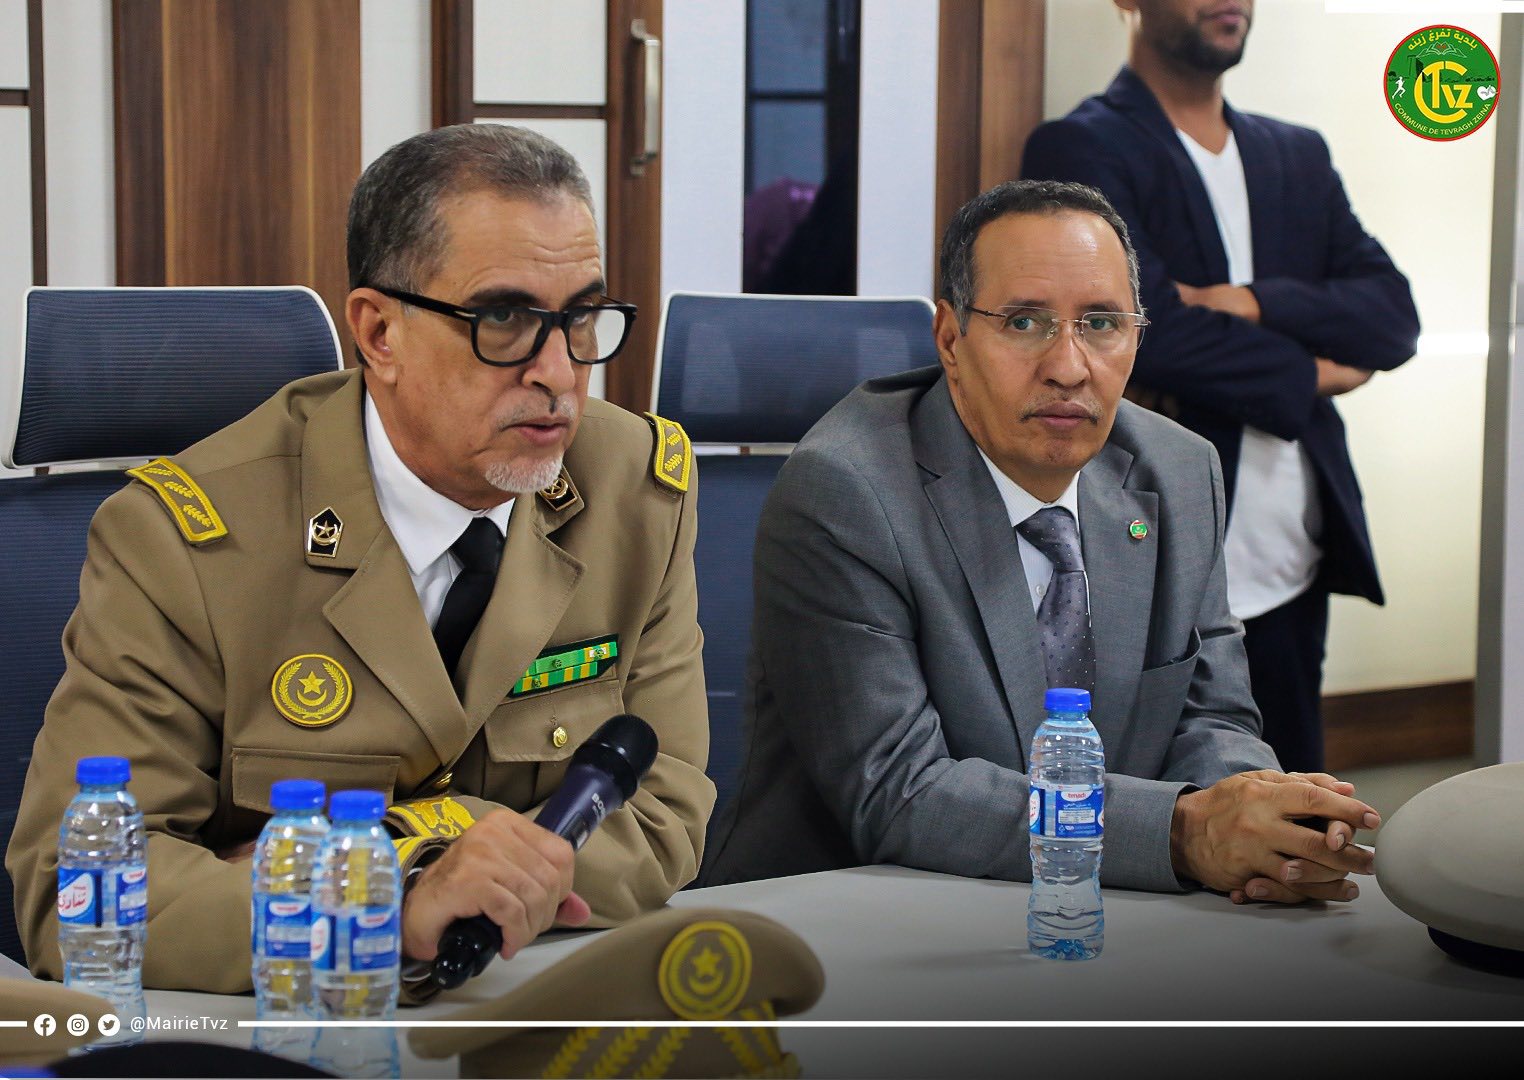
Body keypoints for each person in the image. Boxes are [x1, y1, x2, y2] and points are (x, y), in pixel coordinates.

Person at [6, 124, 713, 998]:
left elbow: (667, 812)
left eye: (580, 318)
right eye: (504, 319)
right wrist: (389, 899)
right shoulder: (183, 540)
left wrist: (400, 856)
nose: (560, 373)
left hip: (524, 997)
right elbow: (77, 896)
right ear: (380, 333)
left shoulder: (635, 492)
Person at [703, 179, 1379, 907]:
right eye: (1025, 322)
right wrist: (1184, 832)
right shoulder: (847, 492)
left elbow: (1211, 715)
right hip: (863, 916)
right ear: (951, 340)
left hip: (1111, 908)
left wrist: (1255, 820)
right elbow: (901, 791)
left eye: (1102, 323)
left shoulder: (1181, 472)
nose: (1069, 366)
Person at [1022, 0, 1419, 773]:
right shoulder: (1081, 145)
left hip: (1293, 551)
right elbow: (1149, 331)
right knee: (1164, 805)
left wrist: (1250, 301)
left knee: (1297, 800)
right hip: (1158, 553)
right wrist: (1313, 371)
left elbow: (1392, 317)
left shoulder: (1296, 154)